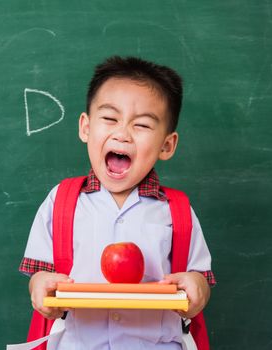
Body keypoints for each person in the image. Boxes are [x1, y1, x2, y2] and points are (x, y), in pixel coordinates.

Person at [19, 56, 215, 349]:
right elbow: (39, 272)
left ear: (166, 145)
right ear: (85, 127)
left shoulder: (177, 210)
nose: (122, 133)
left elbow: (200, 278)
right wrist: (40, 287)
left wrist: (197, 289)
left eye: (143, 125)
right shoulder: (60, 201)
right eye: (110, 118)